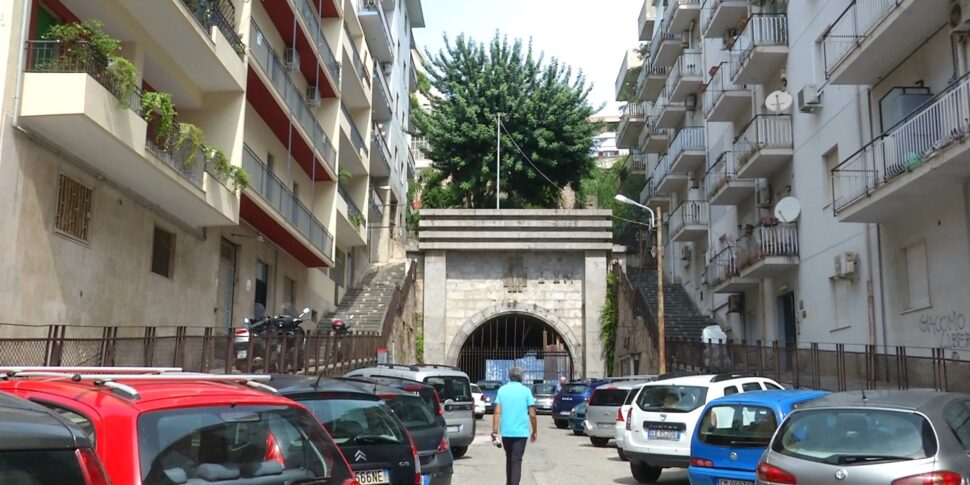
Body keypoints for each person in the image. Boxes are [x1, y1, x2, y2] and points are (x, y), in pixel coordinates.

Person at [492, 366, 537, 485]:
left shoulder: (502, 390)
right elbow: (532, 414)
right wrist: (535, 431)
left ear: (509, 376)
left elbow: (497, 411)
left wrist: (495, 430)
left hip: (506, 432)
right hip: (521, 433)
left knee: (509, 459)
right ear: (521, 377)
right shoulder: (526, 391)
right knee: (516, 460)